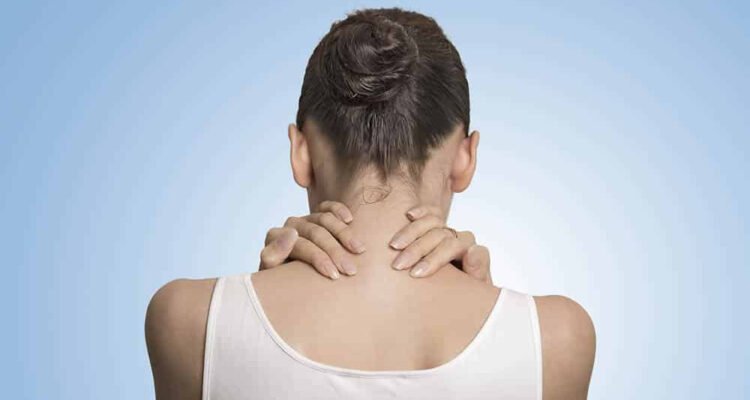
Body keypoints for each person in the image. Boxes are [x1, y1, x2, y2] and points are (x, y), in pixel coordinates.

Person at [145, 7, 595, 400]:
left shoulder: (186, 320)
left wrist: (241, 312)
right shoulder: (557, 338)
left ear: (301, 153)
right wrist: (502, 322)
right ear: (465, 158)